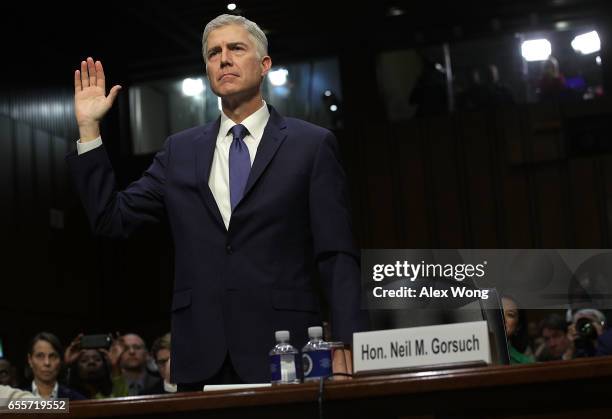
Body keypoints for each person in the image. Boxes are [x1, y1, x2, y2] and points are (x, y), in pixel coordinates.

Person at [67, 14, 365, 389]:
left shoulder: (311, 145)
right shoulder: (180, 150)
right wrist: (89, 129)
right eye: (213, 53)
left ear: (264, 64)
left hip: (287, 352)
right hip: (200, 355)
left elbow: (336, 255)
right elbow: (112, 218)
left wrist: (348, 344)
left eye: (236, 48)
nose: (223, 59)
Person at [22, 332, 85, 400]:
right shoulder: (17, 398)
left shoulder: (76, 399)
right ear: (30, 360)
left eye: (53, 356)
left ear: (60, 360)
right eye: (40, 356)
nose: (47, 363)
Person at [501, 296, 534, 364]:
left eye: (510, 315)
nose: (502, 318)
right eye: (498, 311)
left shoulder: (526, 363)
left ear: (518, 326)